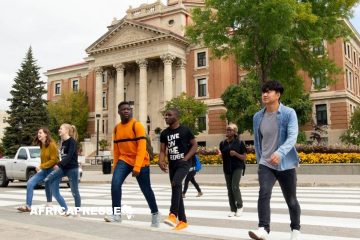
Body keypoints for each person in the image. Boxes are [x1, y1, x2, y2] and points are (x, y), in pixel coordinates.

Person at [248, 80, 301, 240]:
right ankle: (263, 228)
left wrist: (281, 152)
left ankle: (295, 230)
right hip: (266, 163)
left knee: (291, 200)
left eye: (269, 91)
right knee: (263, 193)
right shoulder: (258, 116)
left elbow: (292, 136)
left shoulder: (288, 113)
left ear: (277, 95)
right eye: (263, 91)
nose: (265, 94)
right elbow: (258, 140)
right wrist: (260, 160)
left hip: (285, 163)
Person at [104, 101, 160, 227]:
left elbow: (142, 147)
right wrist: (115, 166)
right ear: (119, 112)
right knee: (115, 184)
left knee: (146, 189)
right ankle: (116, 215)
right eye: (123, 109)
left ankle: (155, 213)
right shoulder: (117, 128)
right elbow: (117, 149)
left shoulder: (137, 125)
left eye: (128, 109)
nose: (126, 111)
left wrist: (137, 166)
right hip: (124, 160)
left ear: (131, 111)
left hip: (141, 161)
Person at [158, 108, 198, 230]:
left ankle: (173, 214)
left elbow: (195, 145)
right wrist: (161, 160)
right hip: (173, 164)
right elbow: (162, 150)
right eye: (165, 115)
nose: (166, 117)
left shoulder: (185, 130)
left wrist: (186, 158)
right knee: (176, 189)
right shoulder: (164, 133)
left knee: (176, 183)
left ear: (176, 116)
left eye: (169, 115)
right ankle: (183, 221)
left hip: (184, 163)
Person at [17, 127, 60, 212]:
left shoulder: (52, 144)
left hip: (53, 170)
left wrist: (41, 166)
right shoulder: (42, 145)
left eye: (40, 133)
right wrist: (42, 167)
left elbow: (54, 160)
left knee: (48, 184)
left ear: (46, 134)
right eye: (38, 133)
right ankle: (28, 206)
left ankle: (49, 204)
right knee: (30, 183)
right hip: (45, 170)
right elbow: (44, 159)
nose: (38, 134)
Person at [44, 123, 81, 215]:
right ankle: (65, 209)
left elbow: (69, 156)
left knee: (74, 192)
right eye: (59, 129)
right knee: (48, 179)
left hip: (72, 169)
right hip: (63, 168)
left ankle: (77, 211)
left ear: (66, 131)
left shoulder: (72, 141)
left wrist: (59, 164)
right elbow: (63, 156)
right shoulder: (63, 142)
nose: (59, 130)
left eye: (61, 129)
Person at [219, 123, 247, 217]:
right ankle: (232, 209)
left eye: (230, 130)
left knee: (235, 186)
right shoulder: (222, 143)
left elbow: (244, 157)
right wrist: (220, 155)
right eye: (227, 129)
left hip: (237, 167)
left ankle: (240, 206)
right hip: (226, 168)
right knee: (229, 189)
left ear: (235, 132)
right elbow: (223, 157)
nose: (227, 131)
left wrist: (236, 154)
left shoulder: (239, 143)